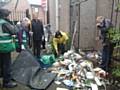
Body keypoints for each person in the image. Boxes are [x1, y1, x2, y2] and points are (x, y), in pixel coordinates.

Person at [0, 8, 17, 88]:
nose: (9, 16)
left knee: (1, 64)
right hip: (4, 48)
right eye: (8, 15)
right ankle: (7, 82)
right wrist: (12, 23)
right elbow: (14, 31)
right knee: (6, 65)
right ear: (5, 16)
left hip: (1, 48)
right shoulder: (4, 23)